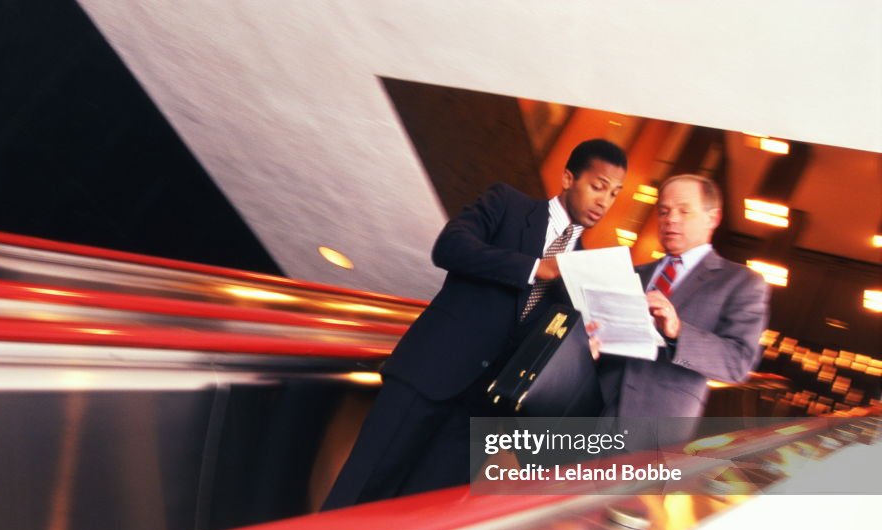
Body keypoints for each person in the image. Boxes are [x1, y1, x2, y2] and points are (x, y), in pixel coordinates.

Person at [321, 139, 628, 510]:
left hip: (482, 415)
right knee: (358, 494)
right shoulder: (507, 204)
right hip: (428, 375)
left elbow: (546, 342)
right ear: (568, 178)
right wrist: (534, 268)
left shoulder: (586, 269)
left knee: (416, 520)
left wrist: (580, 345)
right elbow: (449, 247)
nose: (604, 202)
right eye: (598, 186)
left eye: (614, 194)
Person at [594, 174, 770, 418]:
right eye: (664, 211)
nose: (671, 219)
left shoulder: (741, 282)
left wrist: (678, 331)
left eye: (684, 211)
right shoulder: (632, 273)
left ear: (713, 218)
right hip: (589, 413)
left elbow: (737, 364)